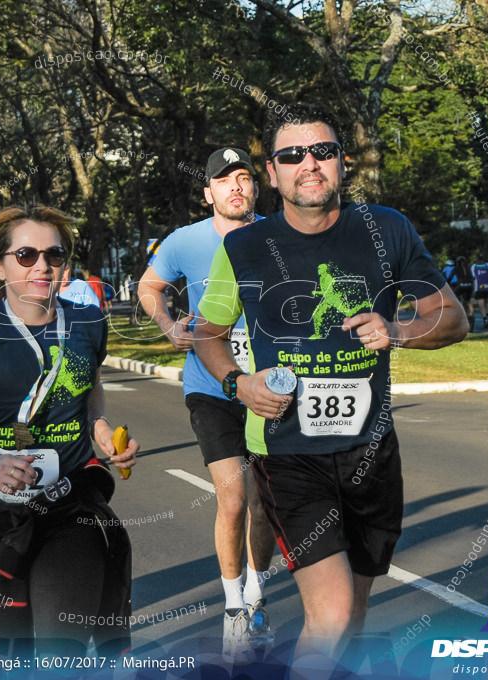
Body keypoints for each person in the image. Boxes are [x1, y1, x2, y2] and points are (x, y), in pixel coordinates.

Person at [193, 104, 467, 672]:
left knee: (355, 614)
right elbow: (206, 333)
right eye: (292, 155)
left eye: (322, 151)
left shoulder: (386, 227)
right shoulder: (242, 247)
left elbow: (452, 317)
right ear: (272, 172)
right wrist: (237, 383)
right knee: (335, 611)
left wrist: (399, 330)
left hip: (371, 449)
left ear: (342, 162)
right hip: (288, 451)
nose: (308, 164)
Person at [0, 205, 138, 657]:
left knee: (64, 655)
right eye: (25, 255)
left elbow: (89, 390)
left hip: (69, 507)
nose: (42, 265)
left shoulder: (88, 322)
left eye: (54, 255)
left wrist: (99, 428)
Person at [138, 147, 275, 663]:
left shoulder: (275, 237)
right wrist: (169, 324)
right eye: (224, 181)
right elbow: (149, 287)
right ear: (208, 193)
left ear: (255, 188)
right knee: (234, 497)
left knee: (264, 502)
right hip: (210, 386)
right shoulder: (184, 240)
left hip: (266, 388)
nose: (236, 187)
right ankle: (233, 607)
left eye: (243, 179)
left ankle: (259, 596)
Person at [445, 256, 474, 331]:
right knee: (468, 301)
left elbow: (449, 278)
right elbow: (472, 277)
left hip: (461, 285)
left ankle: (459, 316)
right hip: (470, 286)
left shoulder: (456, 268)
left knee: (453, 299)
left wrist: (447, 283)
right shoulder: (468, 268)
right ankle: (471, 315)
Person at [470, 260, 488, 329]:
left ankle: (485, 318)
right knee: (487, 301)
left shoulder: (474, 266)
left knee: (481, 304)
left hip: (479, 288)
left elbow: (472, 277)